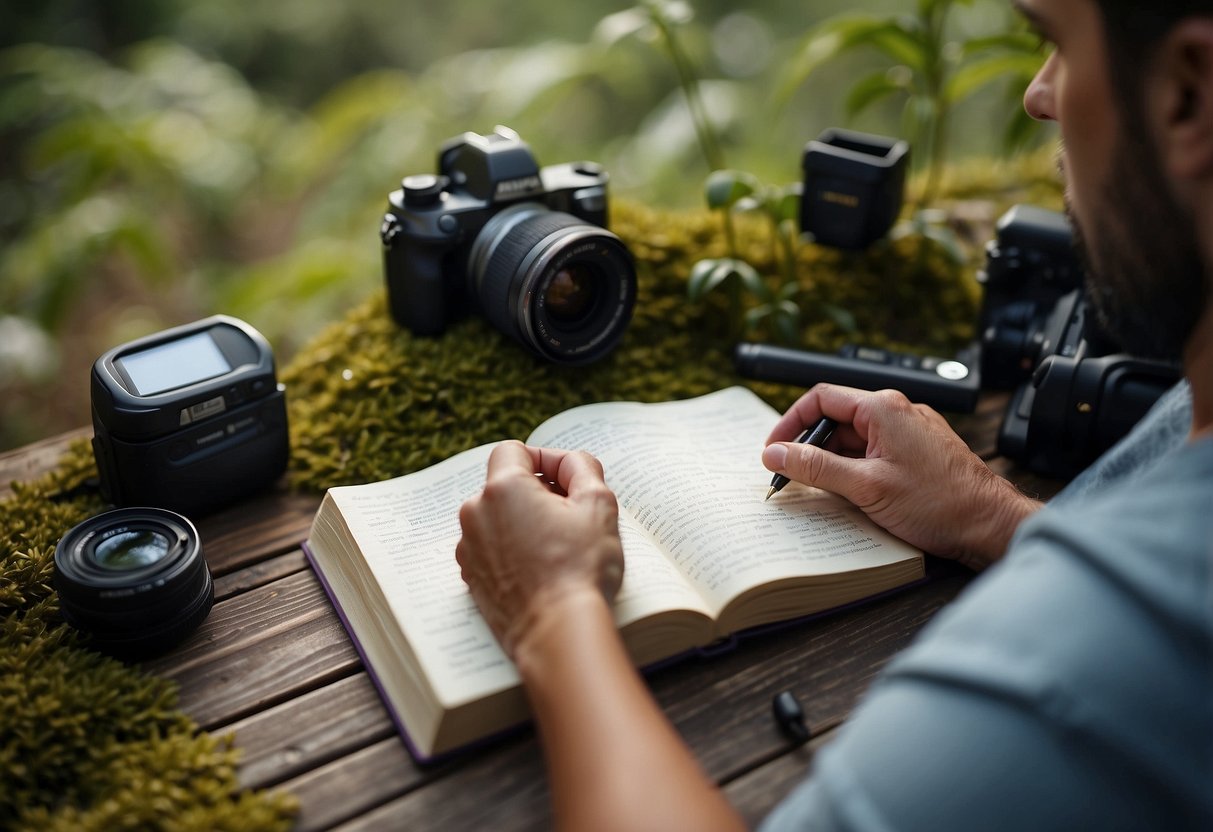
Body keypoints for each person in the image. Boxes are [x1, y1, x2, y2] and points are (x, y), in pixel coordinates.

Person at [454, 0, 1213, 828]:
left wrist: (551, 617)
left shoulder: (1081, 665)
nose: (1038, 96)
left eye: (1055, 44)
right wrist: (991, 515)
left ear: (1187, 95)